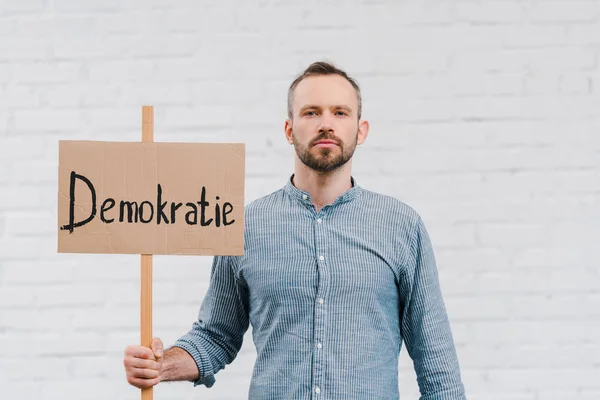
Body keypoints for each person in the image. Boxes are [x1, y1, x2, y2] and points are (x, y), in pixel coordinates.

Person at [123, 61, 466, 399]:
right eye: (311, 112)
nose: (326, 124)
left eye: (340, 113)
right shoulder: (246, 227)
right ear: (289, 130)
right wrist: (161, 365)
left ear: (361, 130)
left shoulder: (401, 227)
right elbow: (215, 337)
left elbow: (439, 375)